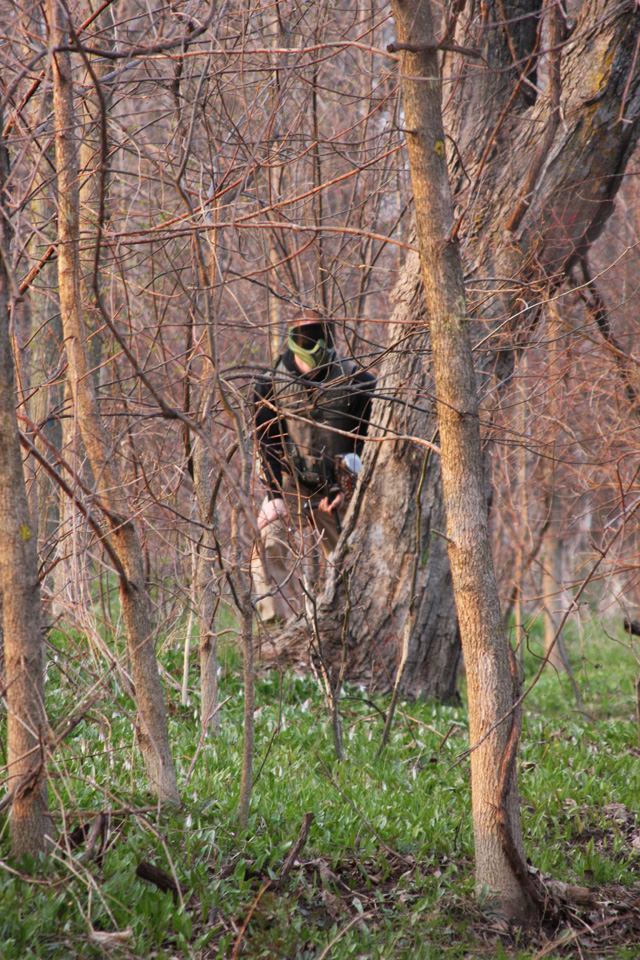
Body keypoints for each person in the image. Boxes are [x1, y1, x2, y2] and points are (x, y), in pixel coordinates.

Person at [251, 312, 376, 622]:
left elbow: (365, 442)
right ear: (295, 343)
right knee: (269, 540)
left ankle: (344, 624)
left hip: (338, 489)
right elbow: (266, 441)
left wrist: (347, 488)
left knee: (348, 558)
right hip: (290, 484)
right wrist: (273, 495)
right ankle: (278, 628)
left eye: (320, 334)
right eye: (307, 336)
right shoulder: (269, 385)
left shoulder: (357, 382)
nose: (314, 343)